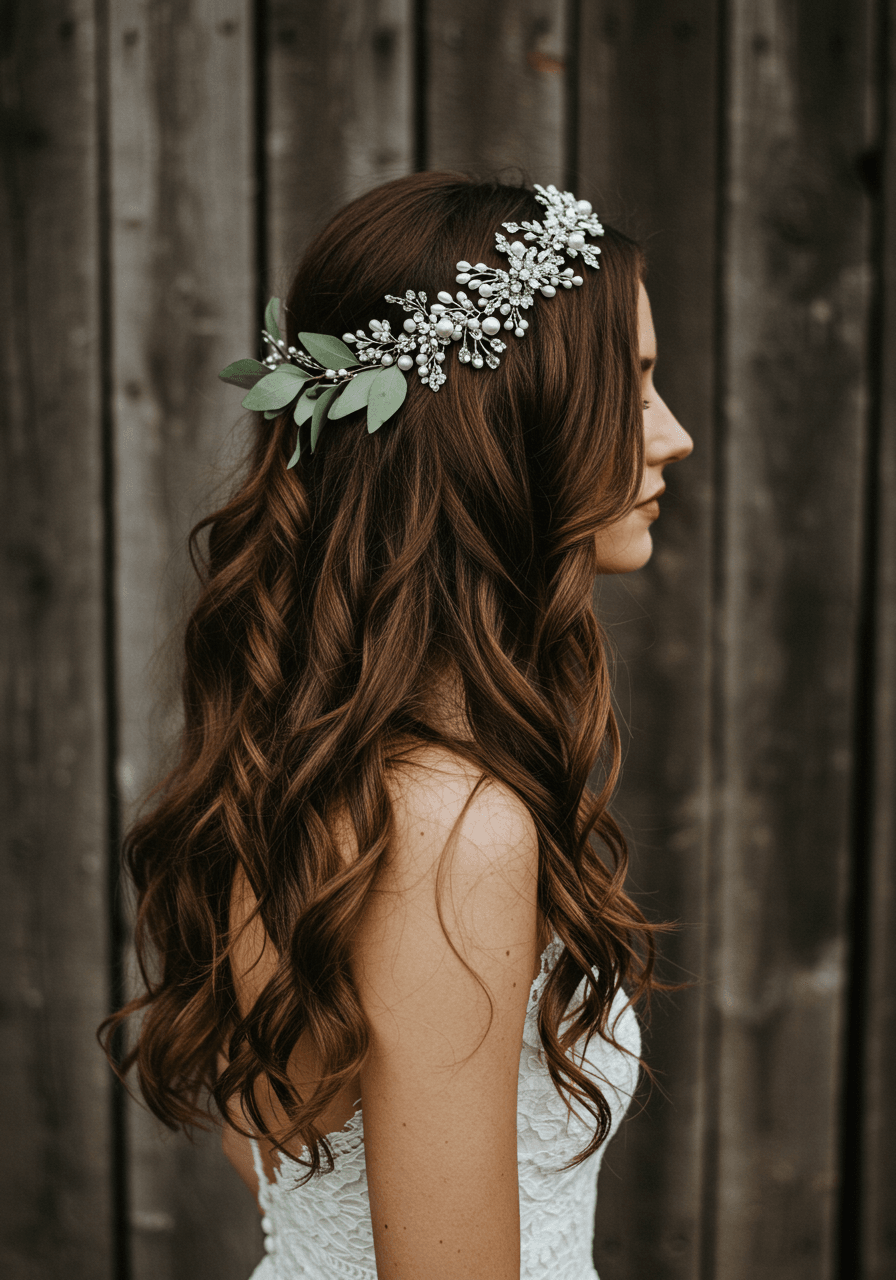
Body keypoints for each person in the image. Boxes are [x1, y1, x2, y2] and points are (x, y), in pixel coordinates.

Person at [100, 171, 693, 1280]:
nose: (674, 436)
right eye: (636, 385)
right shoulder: (451, 827)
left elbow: (286, 1158)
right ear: (506, 421)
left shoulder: (316, 764)